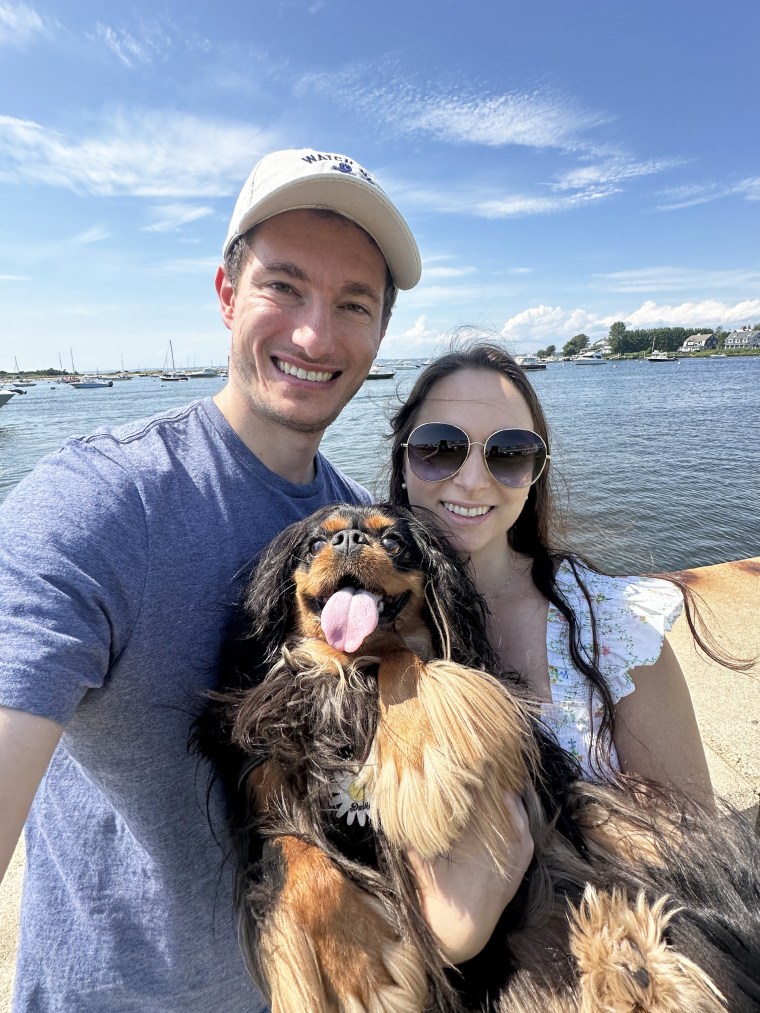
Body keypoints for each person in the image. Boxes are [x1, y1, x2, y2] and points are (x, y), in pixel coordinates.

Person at [0, 147, 434, 1011]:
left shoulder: (365, 537)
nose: (315, 334)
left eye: (354, 303)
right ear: (228, 295)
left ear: (380, 333)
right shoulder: (101, 502)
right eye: (284, 286)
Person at [388, 339, 716, 798]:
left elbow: (693, 845)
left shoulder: (614, 626)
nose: (473, 480)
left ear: (535, 474)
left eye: (509, 452)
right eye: (439, 447)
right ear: (402, 460)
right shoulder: (361, 616)